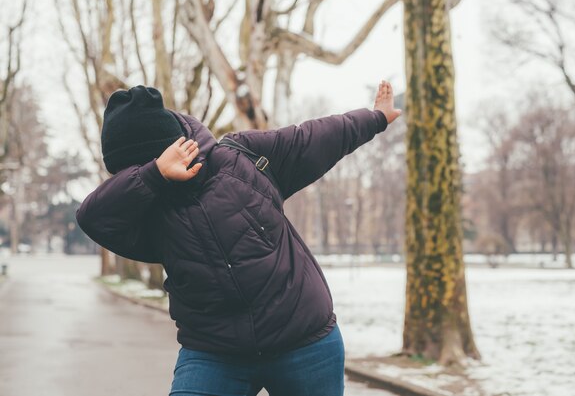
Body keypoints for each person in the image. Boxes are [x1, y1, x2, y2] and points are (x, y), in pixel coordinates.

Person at [76, 81, 402, 396]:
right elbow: (92, 217)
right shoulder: (146, 205)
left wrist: (376, 117)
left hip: (304, 341)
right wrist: (153, 176)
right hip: (214, 353)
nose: (126, 178)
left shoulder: (242, 156)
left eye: (131, 168)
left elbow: (316, 137)